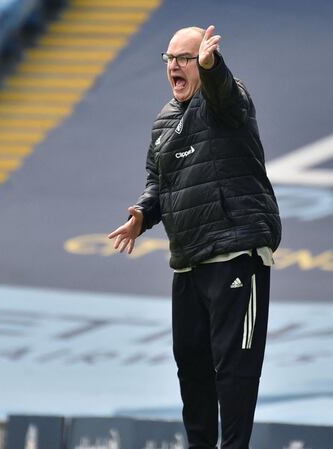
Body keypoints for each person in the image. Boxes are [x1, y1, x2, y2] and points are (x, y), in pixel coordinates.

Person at [108, 25, 282, 449]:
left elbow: (224, 93)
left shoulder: (226, 99)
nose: (174, 67)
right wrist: (142, 215)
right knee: (192, 370)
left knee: (235, 372)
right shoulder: (164, 119)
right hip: (187, 264)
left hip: (236, 256)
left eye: (183, 59)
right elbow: (159, 183)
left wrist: (212, 66)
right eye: (169, 59)